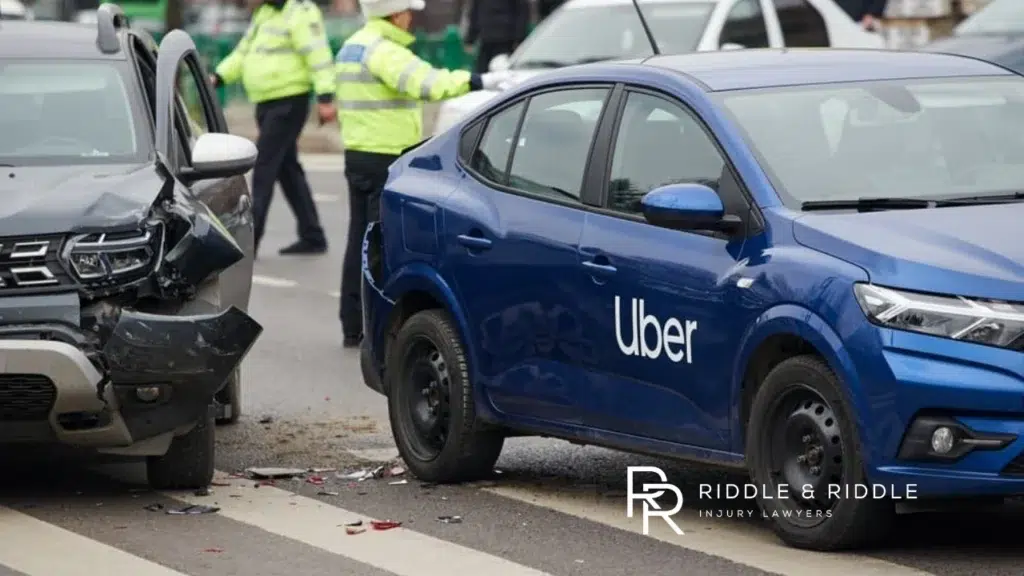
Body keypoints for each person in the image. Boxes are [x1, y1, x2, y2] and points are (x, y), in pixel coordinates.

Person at [335, 0, 509, 347]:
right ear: (395, 14)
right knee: (380, 247)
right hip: (385, 155)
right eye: (408, 12)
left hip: (357, 154)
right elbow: (428, 85)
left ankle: (352, 323)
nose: (412, 19)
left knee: (359, 240)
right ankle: (375, 329)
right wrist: (480, 80)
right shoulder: (386, 51)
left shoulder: (352, 47)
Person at [211, 0, 334, 256]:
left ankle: (248, 243)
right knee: (288, 169)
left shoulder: (300, 11)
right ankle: (313, 235)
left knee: (265, 165)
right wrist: (219, 76)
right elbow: (243, 53)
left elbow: (318, 55)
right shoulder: (264, 14)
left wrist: (325, 97)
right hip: (265, 102)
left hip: (289, 101)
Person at [465, 0, 531, 74]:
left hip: (504, 40)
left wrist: (519, 39)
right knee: (484, 72)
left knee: (501, 71)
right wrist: (470, 39)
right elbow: (475, 13)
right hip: (489, 38)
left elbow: (521, 13)